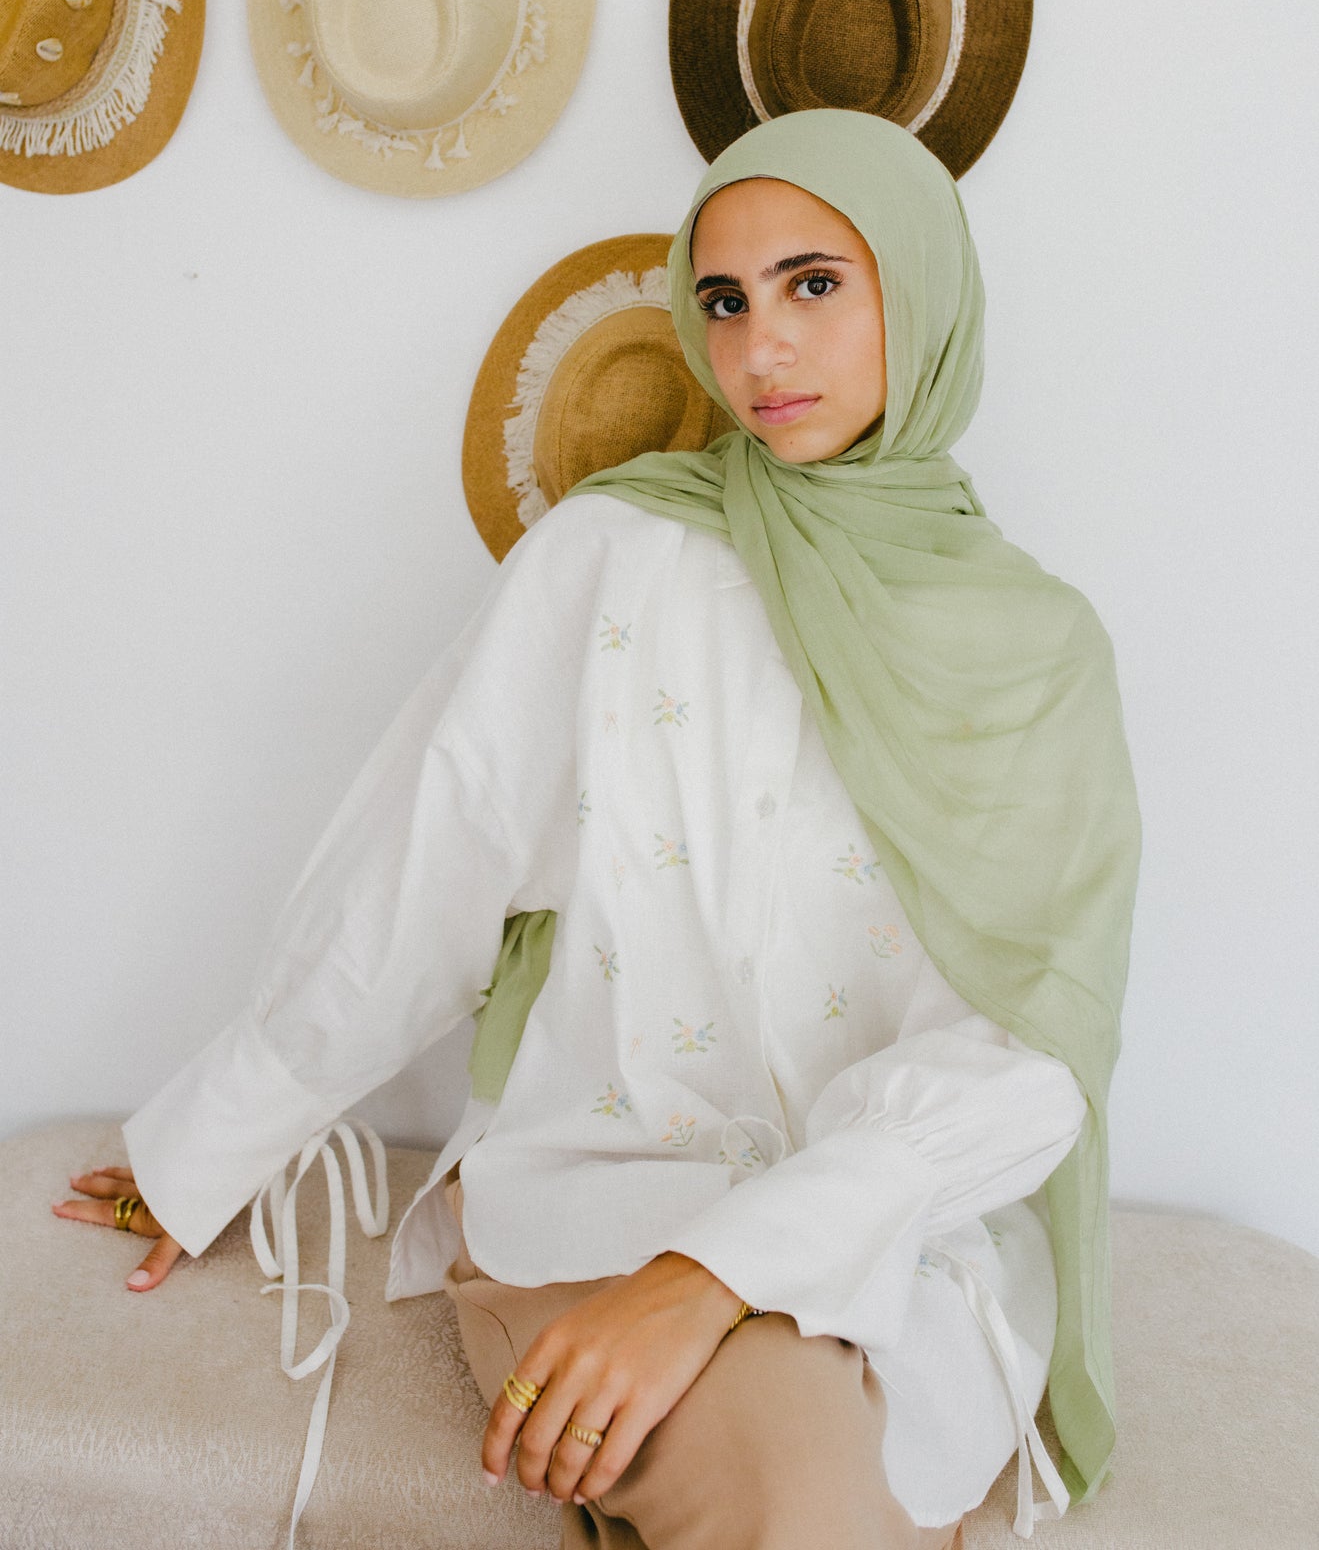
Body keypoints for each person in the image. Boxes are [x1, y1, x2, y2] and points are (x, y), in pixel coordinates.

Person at [54, 108, 1141, 1550]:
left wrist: (714, 1279)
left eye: (816, 283)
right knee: (798, 1490)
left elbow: (1032, 1052)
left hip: (901, 1239)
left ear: (925, 292)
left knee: (826, 1460)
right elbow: (425, 872)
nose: (761, 347)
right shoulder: (614, 557)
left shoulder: (1036, 651)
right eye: (724, 299)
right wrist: (210, 1145)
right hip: (602, 1202)